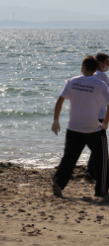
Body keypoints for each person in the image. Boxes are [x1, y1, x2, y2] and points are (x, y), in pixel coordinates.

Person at [52, 55, 109, 199]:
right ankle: (101, 191)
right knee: (101, 159)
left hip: (73, 128)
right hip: (93, 128)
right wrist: (105, 124)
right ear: (96, 68)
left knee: (69, 158)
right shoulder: (100, 85)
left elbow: (60, 100)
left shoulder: (72, 81)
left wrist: (56, 120)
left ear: (83, 67)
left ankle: (58, 183)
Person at [84, 52, 109, 183]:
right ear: (100, 63)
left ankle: (91, 173)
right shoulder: (102, 75)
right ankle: (90, 173)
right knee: (99, 145)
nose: (108, 65)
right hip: (100, 114)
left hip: (89, 113)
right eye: (107, 62)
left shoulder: (91, 75)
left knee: (96, 145)